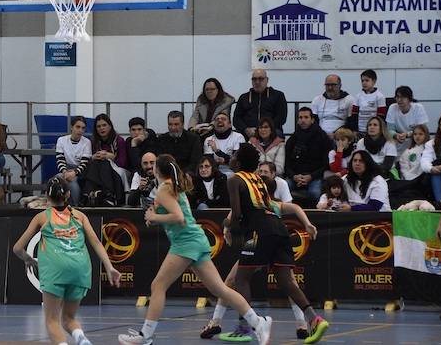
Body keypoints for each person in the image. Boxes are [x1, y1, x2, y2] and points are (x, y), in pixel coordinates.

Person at [117, 154, 273, 345]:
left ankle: (146, 336)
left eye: (154, 165)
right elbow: (173, 214)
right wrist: (154, 217)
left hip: (186, 243)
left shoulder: (165, 189)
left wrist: (155, 218)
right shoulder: (171, 187)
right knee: (220, 290)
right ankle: (258, 322)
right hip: (195, 241)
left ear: (158, 170)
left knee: (158, 286)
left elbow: (179, 217)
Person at [223, 143, 329, 344]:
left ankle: (244, 327)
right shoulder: (260, 180)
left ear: (239, 160)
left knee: (241, 279)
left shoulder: (234, 180)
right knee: (286, 280)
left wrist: (228, 225)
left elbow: (237, 214)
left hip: (258, 231)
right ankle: (314, 319)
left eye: (235, 154)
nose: (233, 157)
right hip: (279, 228)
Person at [13, 176, 121, 345]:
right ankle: (81, 338)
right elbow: (97, 243)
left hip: (56, 269)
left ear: (47, 197)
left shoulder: (42, 217)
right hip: (80, 269)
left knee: (52, 320)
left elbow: (17, 248)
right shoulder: (80, 216)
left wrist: (28, 260)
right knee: (69, 318)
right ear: (69, 194)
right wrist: (109, 266)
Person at [284, 107, 331, 205]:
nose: (303, 120)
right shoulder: (293, 139)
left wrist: (311, 176)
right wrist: (294, 176)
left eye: (306, 117)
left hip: (314, 176)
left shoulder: (322, 137)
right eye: (300, 118)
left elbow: (326, 164)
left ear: (312, 120)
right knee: (284, 187)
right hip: (295, 176)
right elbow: (287, 163)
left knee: (315, 193)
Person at [232, 69, 287, 138]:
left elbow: (281, 118)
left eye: (260, 79)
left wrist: (265, 129)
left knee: (278, 133)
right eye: (254, 79)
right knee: (236, 136)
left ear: (267, 80)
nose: (257, 82)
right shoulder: (244, 97)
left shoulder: (278, 96)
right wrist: (246, 129)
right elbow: (236, 119)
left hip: (271, 131)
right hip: (249, 132)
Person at [55, 116, 93, 205]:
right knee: (56, 179)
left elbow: (84, 163)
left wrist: (74, 173)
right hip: (66, 169)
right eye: (78, 127)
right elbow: (60, 160)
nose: (80, 130)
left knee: (72, 183)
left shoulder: (87, 142)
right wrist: (65, 172)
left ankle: (75, 206)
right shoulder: (61, 140)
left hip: (81, 171)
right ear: (72, 127)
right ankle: (56, 206)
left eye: (83, 128)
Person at [386, 86, 429, 154]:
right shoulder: (392, 108)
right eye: (397, 97)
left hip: (415, 140)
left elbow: (423, 129)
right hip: (398, 140)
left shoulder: (418, 108)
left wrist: (407, 134)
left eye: (403, 97)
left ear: (409, 99)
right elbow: (389, 129)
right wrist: (396, 135)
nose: (399, 100)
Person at [203, 113, 245, 177]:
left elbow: (237, 163)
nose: (220, 120)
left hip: (234, 173)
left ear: (229, 125)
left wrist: (217, 151)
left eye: (223, 119)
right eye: (217, 119)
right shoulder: (209, 139)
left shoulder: (238, 137)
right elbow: (208, 163)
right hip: (214, 173)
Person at [350, 69, 387, 135]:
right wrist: (354, 130)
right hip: (360, 130)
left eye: (367, 80)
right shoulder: (358, 96)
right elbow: (354, 115)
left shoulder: (379, 96)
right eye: (362, 81)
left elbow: (381, 117)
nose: (364, 83)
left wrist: (378, 131)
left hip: (373, 130)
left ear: (374, 81)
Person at [422, 115, 441, 208]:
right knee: (436, 173)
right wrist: (431, 169)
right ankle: (440, 203)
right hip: (436, 175)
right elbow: (424, 161)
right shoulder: (431, 143)